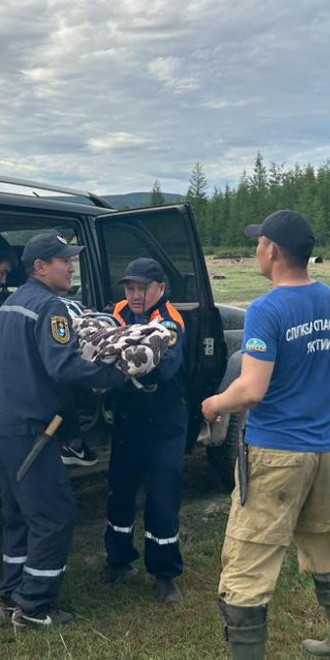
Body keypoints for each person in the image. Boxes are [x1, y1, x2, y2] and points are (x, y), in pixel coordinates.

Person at [201, 210, 330, 660]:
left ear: (272, 251)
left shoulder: (267, 309)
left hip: (275, 454)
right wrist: (325, 410)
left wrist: (213, 405)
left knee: (249, 559)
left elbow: (251, 389)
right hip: (322, 450)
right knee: (324, 543)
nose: (256, 250)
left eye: (259, 243)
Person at [0, 233, 127, 627]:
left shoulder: (12, 303)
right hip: (30, 428)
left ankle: (11, 595)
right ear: (41, 267)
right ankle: (35, 606)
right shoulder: (50, 308)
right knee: (53, 515)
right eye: (64, 260)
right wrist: (115, 374)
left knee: (18, 513)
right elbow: (62, 366)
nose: (71, 266)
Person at [104, 257, 187, 604]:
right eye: (130, 287)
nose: (135, 295)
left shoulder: (170, 323)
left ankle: (165, 574)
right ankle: (118, 561)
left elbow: (159, 369)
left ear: (161, 289)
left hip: (165, 422)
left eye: (143, 288)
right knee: (120, 491)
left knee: (163, 499)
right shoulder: (118, 312)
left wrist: (114, 353)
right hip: (128, 420)